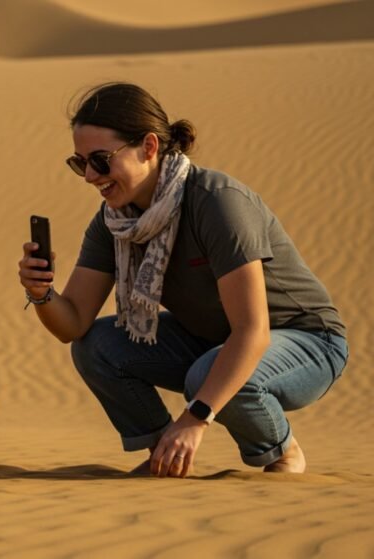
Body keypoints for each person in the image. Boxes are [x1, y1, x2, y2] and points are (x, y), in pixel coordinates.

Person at [17, 82, 348, 478]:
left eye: (101, 160)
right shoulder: (115, 223)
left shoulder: (217, 202)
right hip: (212, 340)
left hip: (308, 342)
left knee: (206, 375)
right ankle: (166, 455)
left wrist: (195, 419)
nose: (89, 176)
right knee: (97, 346)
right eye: (79, 163)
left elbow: (253, 331)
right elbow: (72, 324)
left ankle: (282, 452)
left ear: (150, 147)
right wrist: (41, 293)